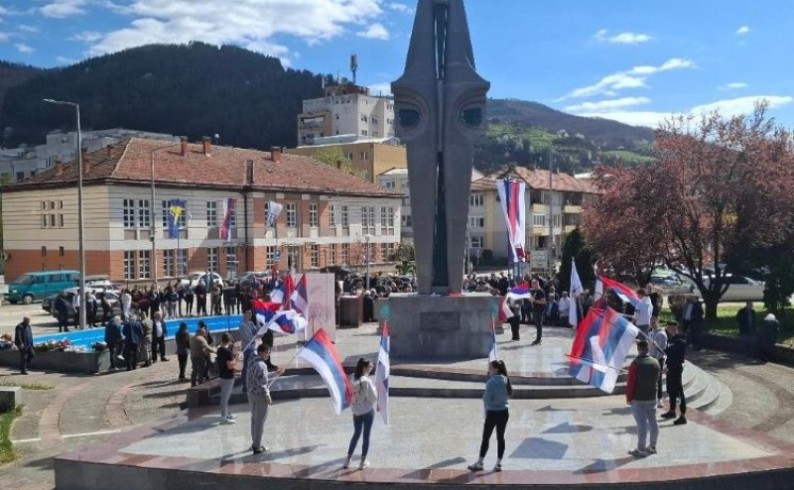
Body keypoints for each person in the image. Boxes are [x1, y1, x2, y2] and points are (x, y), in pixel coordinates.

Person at [468, 360, 512, 472]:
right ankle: (498, 464)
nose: (489, 371)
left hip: (493, 412)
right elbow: (507, 395)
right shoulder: (506, 379)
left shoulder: (491, 382)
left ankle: (480, 463)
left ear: (496, 369)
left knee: (486, 438)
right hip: (504, 412)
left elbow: (487, 399)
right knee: (500, 437)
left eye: (491, 368)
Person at [626, 339, 661, 458]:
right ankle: (652, 446)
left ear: (638, 349)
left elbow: (631, 383)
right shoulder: (655, 362)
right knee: (653, 422)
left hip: (638, 398)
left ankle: (641, 449)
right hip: (652, 397)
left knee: (641, 424)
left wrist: (629, 397)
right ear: (647, 348)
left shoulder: (635, 364)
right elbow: (656, 379)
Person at [247, 343, 285, 454]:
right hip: (260, 396)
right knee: (260, 421)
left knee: (254, 419)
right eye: (267, 353)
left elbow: (262, 377)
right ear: (260, 352)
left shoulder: (252, 362)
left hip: (251, 394)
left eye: (269, 353)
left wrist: (276, 373)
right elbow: (263, 383)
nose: (268, 355)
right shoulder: (262, 365)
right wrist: (267, 396)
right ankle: (257, 446)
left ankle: (254, 442)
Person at [344, 358, 378, 470]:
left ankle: (347, 460)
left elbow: (350, 392)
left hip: (356, 411)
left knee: (356, 434)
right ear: (364, 368)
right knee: (366, 436)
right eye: (370, 367)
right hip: (367, 411)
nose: (371, 369)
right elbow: (372, 398)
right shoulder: (366, 381)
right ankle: (362, 462)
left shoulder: (352, 377)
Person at [661, 322, 687, 425]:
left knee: (679, 392)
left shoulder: (681, 341)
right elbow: (668, 353)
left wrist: (670, 368)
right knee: (671, 391)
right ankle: (672, 411)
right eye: (668, 328)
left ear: (676, 328)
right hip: (669, 368)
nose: (669, 329)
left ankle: (683, 416)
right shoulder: (670, 340)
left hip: (675, 369)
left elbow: (679, 359)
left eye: (671, 327)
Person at [217, 333, 237, 424]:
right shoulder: (227, 352)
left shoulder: (219, 350)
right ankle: (223, 417)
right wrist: (236, 360)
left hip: (222, 376)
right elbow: (229, 366)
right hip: (228, 377)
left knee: (225, 396)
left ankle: (227, 413)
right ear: (229, 341)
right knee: (225, 397)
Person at [648, 320, 668, 408]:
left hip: (658, 360)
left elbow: (662, 350)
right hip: (651, 358)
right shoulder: (651, 333)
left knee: (658, 380)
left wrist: (655, 360)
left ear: (657, 322)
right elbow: (649, 347)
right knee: (651, 380)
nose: (651, 324)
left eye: (653, 322)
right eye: (650, 322)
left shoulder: (661, 335)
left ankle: (659, 400)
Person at [238, 309, 258, 393]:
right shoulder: (242, 325)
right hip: (247, 348)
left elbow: (256, 332)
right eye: (248, 313)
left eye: (251, 313)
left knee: (252, 366)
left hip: (252, 347)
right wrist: (253, 338)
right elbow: (247, 338)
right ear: (245, 314)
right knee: (246, 367)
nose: (250, 315)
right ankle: (245, 385)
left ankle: (251, 383)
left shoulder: (251, 323)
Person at [530, 280, 546, 345]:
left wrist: (534, 300)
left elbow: (543, 302)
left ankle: (538, 339)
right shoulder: (533, 291)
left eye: (534, 284)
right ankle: (538, 338)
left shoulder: (541, 291)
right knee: (536, 323)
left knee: (539, 324)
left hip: (540, 310)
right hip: (535, 309)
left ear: (537, 284)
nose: (533, 286)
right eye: (532, 285)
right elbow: (532, 300)